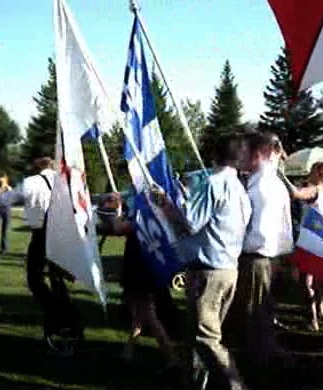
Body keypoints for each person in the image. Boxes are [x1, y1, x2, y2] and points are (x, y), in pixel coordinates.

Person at [160, 134, 252, 390]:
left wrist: (169, 209)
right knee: (194, 337)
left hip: (209, 272)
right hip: (227, 268)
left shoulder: (213, 184)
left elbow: (190, 223)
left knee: (206, 338)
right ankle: (193, 383)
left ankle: (236, 385)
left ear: (214, 153)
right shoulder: (239, 189)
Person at [234, 131, 293, 377]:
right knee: (261, 314)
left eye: (248, 152)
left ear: (260, 153)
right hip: (269, 258)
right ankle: (263, 360)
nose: (243, 157)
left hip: (256, 258)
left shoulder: (261, 185)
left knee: (253, 316)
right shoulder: (273, 183)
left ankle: (258, 366)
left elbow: (253, 230)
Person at [14, 157, 84, 354]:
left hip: (42, 234)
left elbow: (9, 197)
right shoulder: (65, 180)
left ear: (38, 168)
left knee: (34, 277)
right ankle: (68, 316)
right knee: (57, 277)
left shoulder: (31, 182)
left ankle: (54, 312)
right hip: (63, 234)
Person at [110, 196, 179, 371]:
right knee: (139, 314)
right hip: (147, 268)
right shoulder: (155, 215)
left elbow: (118, 228)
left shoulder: (142, 217)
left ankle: (171, 356)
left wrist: (118, 210)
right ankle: (128, 351)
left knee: (148, 315)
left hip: (139, 270)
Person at [290, 162, 323, 332]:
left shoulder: (315, 190)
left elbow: (296, 194)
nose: (308, 173)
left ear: (318, 173)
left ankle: (312, 319)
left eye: (311, 170)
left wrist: (280, 177)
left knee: (305, 281)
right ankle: (321, 312)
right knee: (317, 281)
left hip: (311, 239)